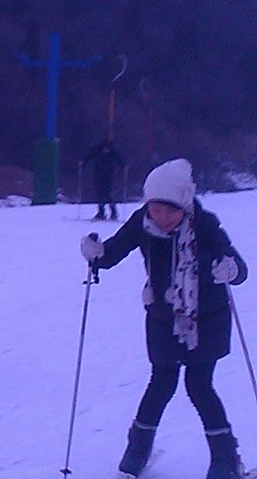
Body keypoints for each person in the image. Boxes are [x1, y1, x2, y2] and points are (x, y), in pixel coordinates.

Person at [79, 158, 247, 479]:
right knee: (161, 382)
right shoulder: (142, 222)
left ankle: (225, 457)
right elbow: (113, 252)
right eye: (156, 209)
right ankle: (137, 448)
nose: (163, 218)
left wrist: (231, 269)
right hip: (162, 317)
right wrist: (97, 254)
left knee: (199, 385)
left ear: (184, 205)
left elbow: (239, 268)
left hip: (206, 319)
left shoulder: (205, 225)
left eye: (171, 211)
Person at [81, 138, 126, 220]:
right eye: (105, 149)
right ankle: (101, 212)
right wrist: (83, 163)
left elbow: (119, 159)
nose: (106, 150)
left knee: (108, 194)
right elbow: (88, 156)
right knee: (99, 194)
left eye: (108, 149)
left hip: (108, 176)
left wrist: (123, 166)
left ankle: (114, 212)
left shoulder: (112, 152)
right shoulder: (96, 150)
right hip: (98, 175)